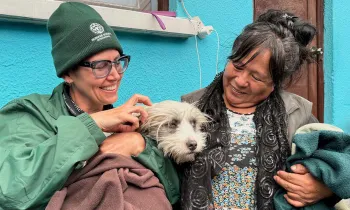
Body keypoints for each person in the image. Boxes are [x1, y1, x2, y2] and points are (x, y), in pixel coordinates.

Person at [0, 2, 177, 209]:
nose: (114, 75)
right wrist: (92, 124)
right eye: (100, 66)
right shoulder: (28, 114)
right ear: (68, 74)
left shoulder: (128, 123)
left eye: (117, 62)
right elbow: (10, 191)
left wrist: (139, 144)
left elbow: (174, 192)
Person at [180, 9, 339, 210]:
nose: (240, 81)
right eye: (237, 66)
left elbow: (340, 164)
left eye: (256, 77)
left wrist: (325, 187)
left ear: (275, 83)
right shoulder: (192, 107)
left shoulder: (296, 114)